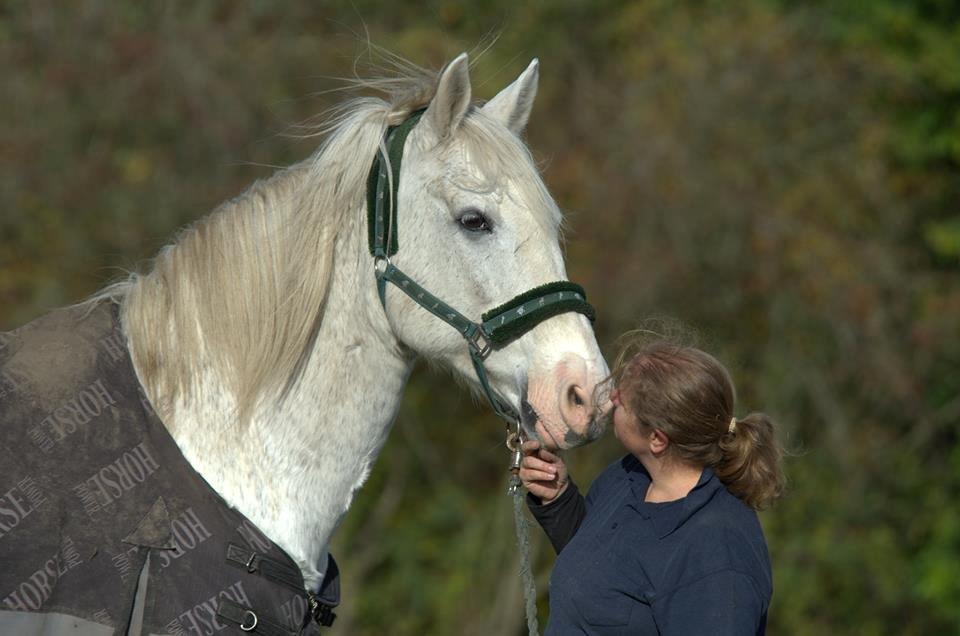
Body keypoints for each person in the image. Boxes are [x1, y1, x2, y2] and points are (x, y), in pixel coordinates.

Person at [520, 339, 785, 635]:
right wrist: (559, 498)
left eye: (621, 401)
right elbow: (598, 577)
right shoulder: (627, 476)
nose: (610, 400)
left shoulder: (718, 557)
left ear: (657, 439)